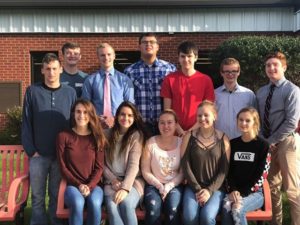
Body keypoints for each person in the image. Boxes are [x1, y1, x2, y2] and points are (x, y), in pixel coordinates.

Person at [22, 53, 76, 225]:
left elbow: (74, 123)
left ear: (60, 69)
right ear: (42, 70)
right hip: (38, 154)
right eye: (47, 69)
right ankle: (37, 222)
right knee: (37, 195)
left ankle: (55, 222)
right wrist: (32, 151)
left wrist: (69, 151)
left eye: (54, 68)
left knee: (55, 194)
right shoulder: (32, 91)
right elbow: (26, 122)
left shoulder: (70, 93)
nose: (51, 72)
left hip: (61, 155)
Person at [256, 51, 300, 225]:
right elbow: (256, 119)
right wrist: (263, 140)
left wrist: (271, 140)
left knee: (292, 189)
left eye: (275, 65)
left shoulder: (293, 90)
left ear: (284, 67)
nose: (271, 68)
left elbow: (291, 122)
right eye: (268, 65)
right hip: (268, 143)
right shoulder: (261, 92)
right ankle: (276, 222)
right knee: (272, 187)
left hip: (287, 143)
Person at [56, 99, 106, 225]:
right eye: (78, 111)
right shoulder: (63, 136)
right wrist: (79, 185)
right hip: (72, 186)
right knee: (78, 203)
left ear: (91, 115)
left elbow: (99, 168)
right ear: (73, 114)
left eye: (85, 112)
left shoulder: (97, 137)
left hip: (94, 186)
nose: (81, 116)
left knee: (94, 203)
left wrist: (88, 186)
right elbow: (63, 167)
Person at [181, 100, 230, 225]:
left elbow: (224, 170)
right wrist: (197, 189)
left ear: (215, 116)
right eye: (199, 116)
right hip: (193, 187)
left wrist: (209, 190)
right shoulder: (189, 137)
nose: (202, 118)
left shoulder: (223, 139)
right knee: (189, 217)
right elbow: (185, 165)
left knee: (207, 218)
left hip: (216, 188)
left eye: (206, 115)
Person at [222, 107, 271, 225]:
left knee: (237, 209)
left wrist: (242, 193)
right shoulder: (232, 144)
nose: (243, 123)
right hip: (234, 191)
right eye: (241, 119)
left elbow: (262, 175)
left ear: (255, 122)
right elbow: (228, 171)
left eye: (248, 120)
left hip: (254, 193)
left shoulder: (263, 145)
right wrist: (233, 190)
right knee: (226, 207)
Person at [103, 101, 148, 225]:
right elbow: (101, 163)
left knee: (126, 204)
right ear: (117, 116)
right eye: (123, 114)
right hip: (111, 182)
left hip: (132, 182)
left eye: (130, 115)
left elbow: (133, 165)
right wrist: (113, 180)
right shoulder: (106, 135)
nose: (126, 118)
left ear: (134, 118)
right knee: (112, 206)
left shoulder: (136, 136)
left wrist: (125, 188)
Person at [124, 33, 176, 135]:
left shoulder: (169, 69)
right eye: (144, 42)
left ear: (157, 47)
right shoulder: (129, 71)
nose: (148, 45)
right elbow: (127, 100)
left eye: (152, 42)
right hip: (139, 125)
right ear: (139, 46)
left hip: (163, 125)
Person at [161, 41, 215, 136]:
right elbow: (167, 110)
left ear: (196, 58)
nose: (186, 59)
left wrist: (191, 131)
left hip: (199, 131)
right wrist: (179, 130)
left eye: (189, 56)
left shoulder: (206, 80)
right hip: (175, 132)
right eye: (182, 56)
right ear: (178, 58)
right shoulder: (169, 79)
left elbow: (208, 110)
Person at [142, 109, 183, 225]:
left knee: (173, 209)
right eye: (162, 122)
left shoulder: (181, 143)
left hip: (175, 185)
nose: (166, 126)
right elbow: (145, 170)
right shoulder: (151, 143)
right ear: (158, 124)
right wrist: (159, 186)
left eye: (169, 122)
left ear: (176, 124)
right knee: (153, 208)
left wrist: (169, 186)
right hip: (154, 184)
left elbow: (182, 172)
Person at [82, 43, 135, 129]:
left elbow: (130, 105)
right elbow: (85, 106)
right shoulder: (90, 80)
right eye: (102, 55)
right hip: (97, 127)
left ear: (114, 56)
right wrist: (96, 119)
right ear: (98, 57)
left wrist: (116, 119)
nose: (106, 58)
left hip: (120, 126)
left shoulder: (125, 80)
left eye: (109, 54)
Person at [215, 58, 256, 140]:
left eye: (234, 71)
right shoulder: (214, 94)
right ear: (221, 73)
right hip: (219, 140)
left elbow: (255, 120)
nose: (230, 74)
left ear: (239, 72)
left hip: (243, 140)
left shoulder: (249, 94)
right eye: (227, 71)